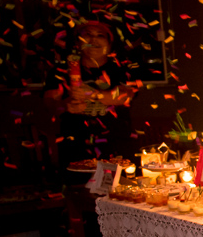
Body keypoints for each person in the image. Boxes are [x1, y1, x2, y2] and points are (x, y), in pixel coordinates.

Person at [43, 20, 139, 167]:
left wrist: (93, 94)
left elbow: (126, 96)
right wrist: (65, 105)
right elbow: (49, 104)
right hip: (75, 148)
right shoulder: (60, 71)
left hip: (117, 147)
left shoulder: (122, 68)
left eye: (100, 35)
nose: (93, 39)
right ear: (77, 42)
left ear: (109, 43)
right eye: (87, 35)